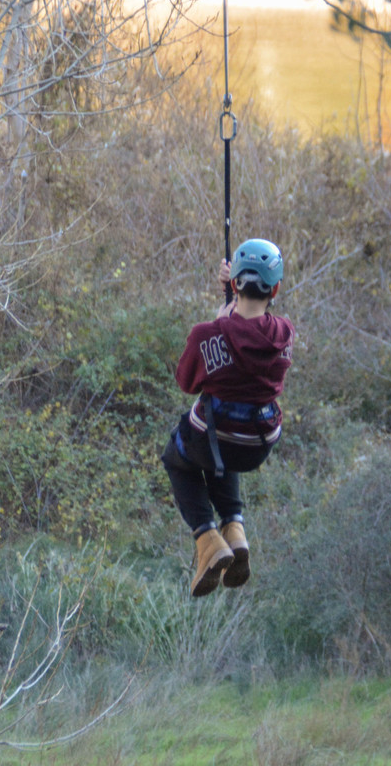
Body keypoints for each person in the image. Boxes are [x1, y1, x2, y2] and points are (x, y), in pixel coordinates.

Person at [160, 239, 295, 598]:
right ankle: (234, 529)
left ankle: (208, 539)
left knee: (178, 458)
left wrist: (222, 317)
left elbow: (187, 382)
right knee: (229, 436)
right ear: (276, 289)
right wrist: (232, 302)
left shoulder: (209, 334)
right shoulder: (284, 335)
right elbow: (249, 332)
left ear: (235, 285)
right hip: (260, 441)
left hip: (215, 439)